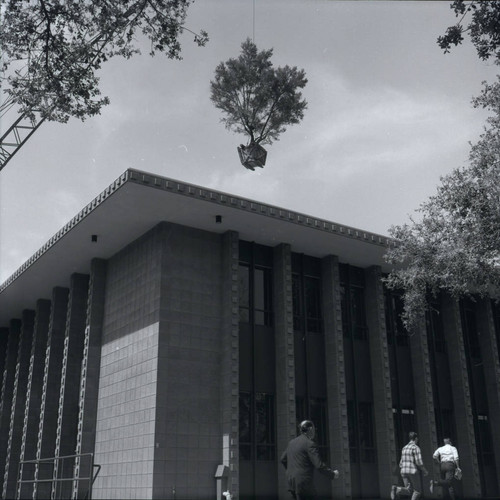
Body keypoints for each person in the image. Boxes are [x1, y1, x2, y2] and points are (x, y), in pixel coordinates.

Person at [280, 420, 339, 500]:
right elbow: (319, 465)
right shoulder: (309, 444)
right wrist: (332, 474)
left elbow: (283, 459)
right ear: (310, 429)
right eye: (314, 429)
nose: (315, 431)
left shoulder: (292, 443)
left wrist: (293, 470)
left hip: (291, 482)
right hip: (304, 483)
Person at [390, 432, 428, 500]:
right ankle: (396, 489)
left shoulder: (404, 448)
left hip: (403, 471)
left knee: (409, 490)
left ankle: (396, 489)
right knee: (417, 491)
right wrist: (425, 471)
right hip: (412, 471)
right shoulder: (415, 448)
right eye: (417, 439)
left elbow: (400, 463)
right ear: (416, 438)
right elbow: (419, 462)